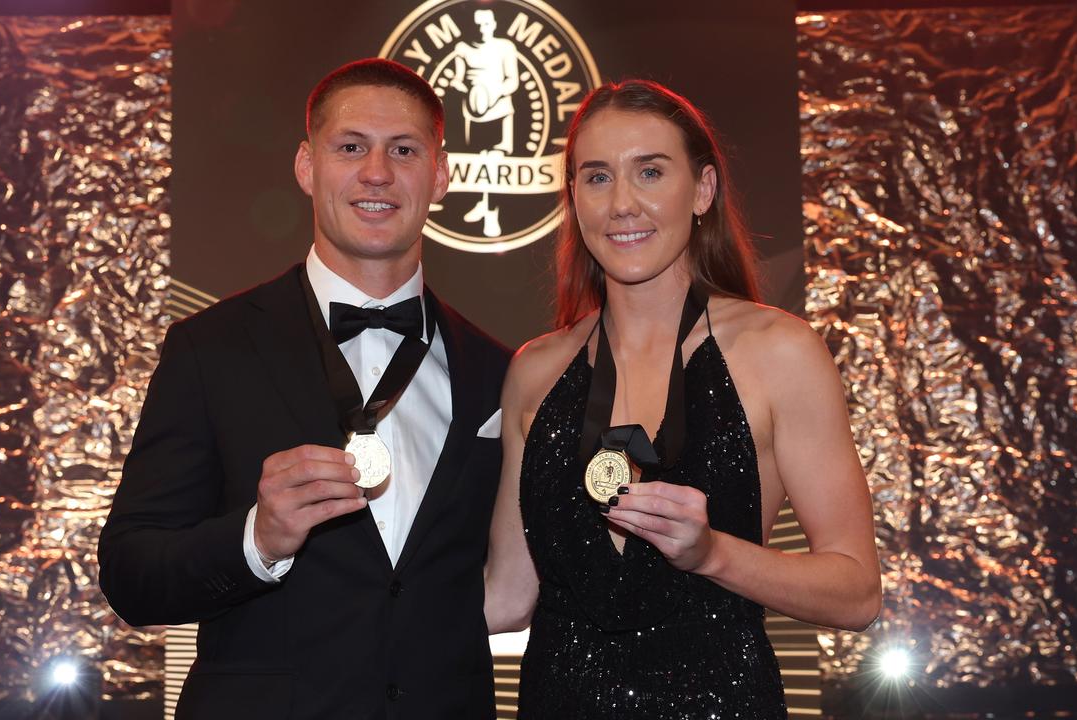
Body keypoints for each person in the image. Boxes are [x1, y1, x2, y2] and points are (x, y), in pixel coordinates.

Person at [98, 58, 510, 719]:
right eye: (351, 147)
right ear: (306, 166)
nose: (377, 172)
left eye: (403, 150)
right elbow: (131, 575)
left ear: (440, 175)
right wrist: (257, 539)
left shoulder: (499, 371)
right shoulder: (211, 348)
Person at [483, 79, 882, 717]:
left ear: (702, 190)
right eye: (596, 177)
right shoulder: (534, 370)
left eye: (649, 171)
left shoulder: (780, 352)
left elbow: (857, 591)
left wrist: (714, 553)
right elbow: (504, 597)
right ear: (574, 200)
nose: (622, 204)